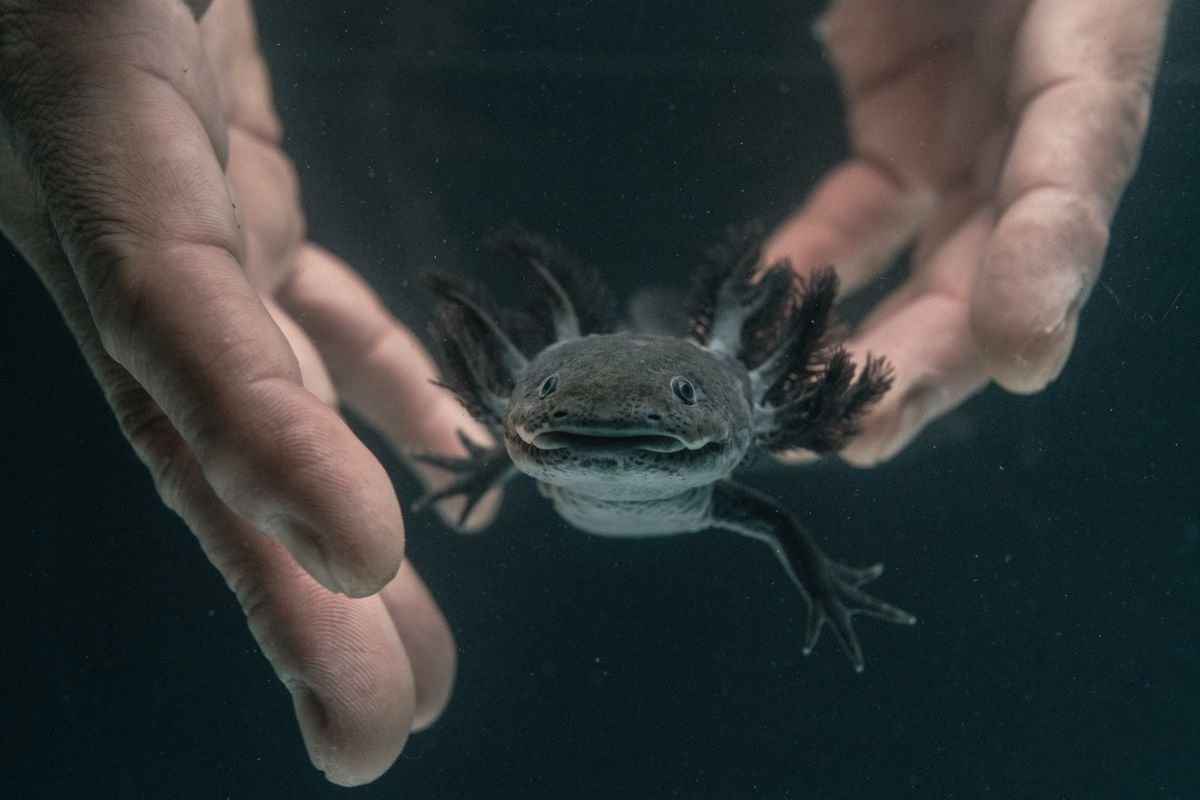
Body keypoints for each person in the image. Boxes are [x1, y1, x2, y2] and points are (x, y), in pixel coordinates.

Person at [0, 0, 1172, 787]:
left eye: (671, 394)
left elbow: (771, 513)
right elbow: (568, 444)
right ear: (509, 382)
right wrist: (491, 456)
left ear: (761, 399)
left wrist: (822, 575)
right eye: (549, 396)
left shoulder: (715, 431)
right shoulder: (538, 418)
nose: (621, 418)